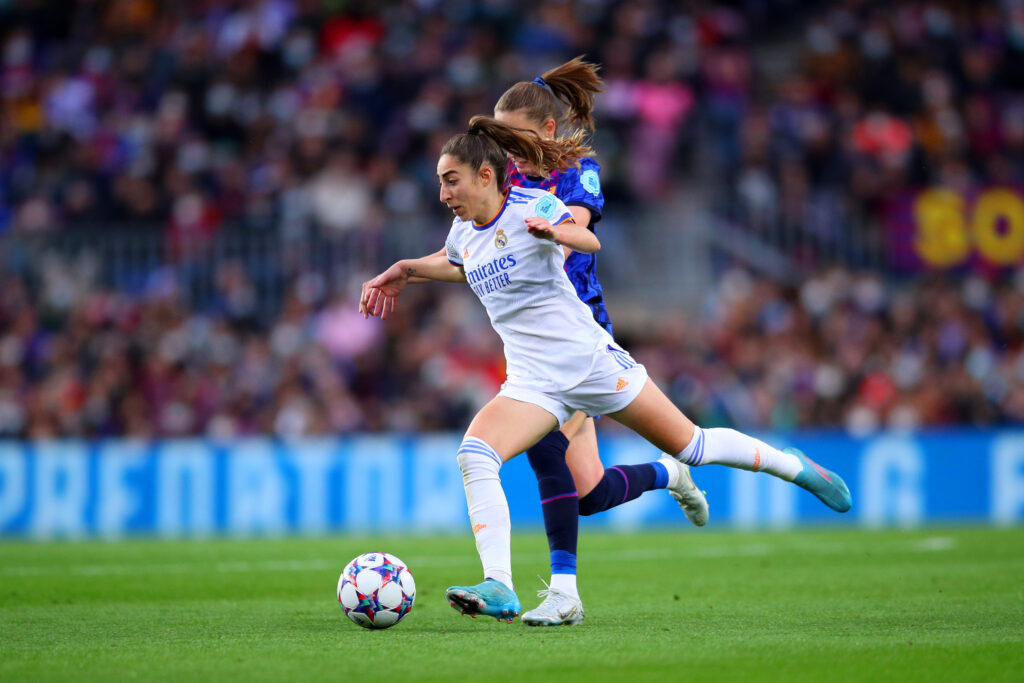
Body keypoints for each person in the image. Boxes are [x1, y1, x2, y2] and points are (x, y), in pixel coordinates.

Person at [359, 116, 851, 627]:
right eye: (440, 180)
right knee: (475, 454)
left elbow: (588, 241)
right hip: (533, 382)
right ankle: (500, 585)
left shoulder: (533, 206)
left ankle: (792, 465)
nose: (442, 193)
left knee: (694, 447)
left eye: (450, 179)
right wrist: (407, 270)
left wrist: (557, 230)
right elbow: (457, 263)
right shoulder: (462, 233)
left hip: (590, 363)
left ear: (486, 175)